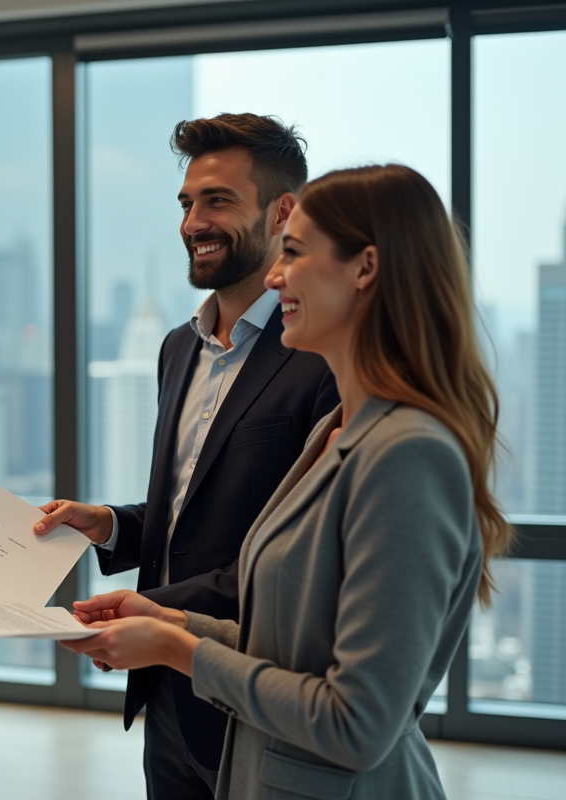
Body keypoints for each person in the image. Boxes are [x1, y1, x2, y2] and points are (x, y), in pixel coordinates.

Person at [64, 164, 512, 799]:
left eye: (295, 253)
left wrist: (177, 650)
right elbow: (288, 645)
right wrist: (170, 622)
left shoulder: (409, 454)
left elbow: (355, 723)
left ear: (365, 269)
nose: (274, 275)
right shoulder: (337, 429)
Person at [36, 114, 337, 797]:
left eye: (219, 201)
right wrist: (109, 525)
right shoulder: (178, 347)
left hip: (252, 688)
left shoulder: (320, 356)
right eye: (186, 203)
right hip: (164, 696)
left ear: (283, 211)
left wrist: (145, 613)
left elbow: (293, 560)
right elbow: (190, 510)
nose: (193, 222)